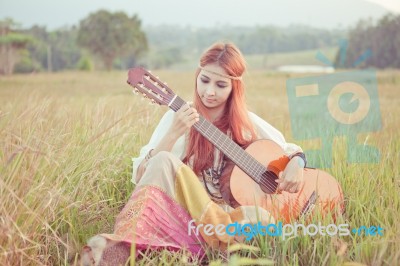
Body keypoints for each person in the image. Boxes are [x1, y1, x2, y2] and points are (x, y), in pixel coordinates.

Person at [80, 42, 307, 265]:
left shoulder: (246, 122)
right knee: (162, 160)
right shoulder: (178, 116)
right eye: (204, 80)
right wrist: (173, 133)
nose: (209, 91)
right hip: (192, 215)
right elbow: (142, 176)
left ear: (234, 88)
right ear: (197, 76)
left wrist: (296, 164)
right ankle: (124, 248)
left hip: (230, 218)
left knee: (262, 219)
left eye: (220, 85)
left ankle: (202, 246)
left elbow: (290, 151)